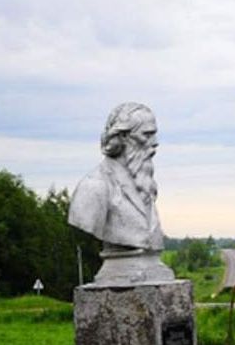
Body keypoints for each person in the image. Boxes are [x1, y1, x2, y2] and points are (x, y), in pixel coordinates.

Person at [68, 102, 165, 251]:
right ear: (124, 136)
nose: (155, 142)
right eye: (147, 135)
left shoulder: (145, 185)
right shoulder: (94, 186)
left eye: (154, 134)